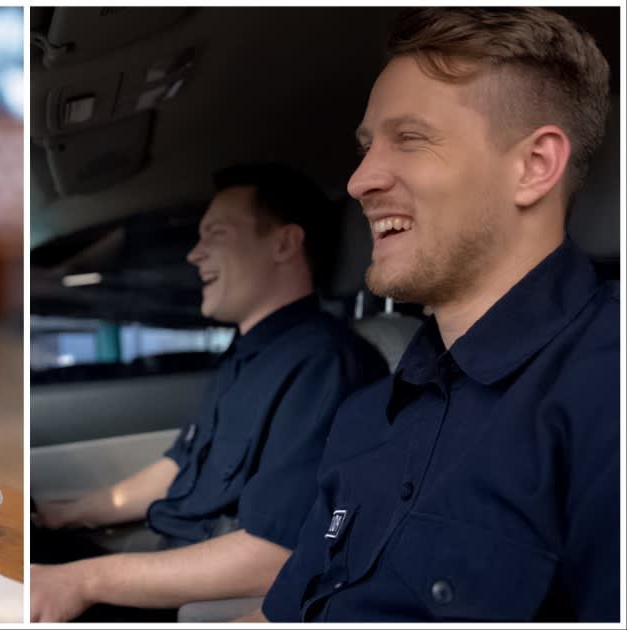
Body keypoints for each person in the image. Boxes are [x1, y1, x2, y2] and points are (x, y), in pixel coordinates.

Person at [262, 8, 617, 622]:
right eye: (368, 147)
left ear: (534, 167)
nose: (358, 180)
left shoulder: (606, 395)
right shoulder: (366, 415)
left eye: (411, 138)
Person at [30, 163, 388, 622]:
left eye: (215, 234)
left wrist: (84, 581)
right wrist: (67, 514)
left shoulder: (325, 365)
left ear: (284, 244)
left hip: (202, 592)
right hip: (173, 552)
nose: (194, 255)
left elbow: (273, 555)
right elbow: (181, 465)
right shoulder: (243, 353)